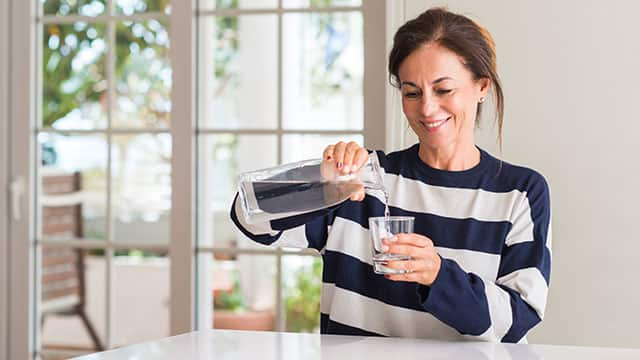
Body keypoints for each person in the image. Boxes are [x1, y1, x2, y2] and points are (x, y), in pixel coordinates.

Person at [231, 7, 551, 343]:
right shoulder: (360, 179)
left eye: (443, 90)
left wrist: (438, 276)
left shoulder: (520, 193)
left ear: (481, 86)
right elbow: (248, 217)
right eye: (412, 92)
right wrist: (321, 181)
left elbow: (517, 320)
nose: (427, 108)